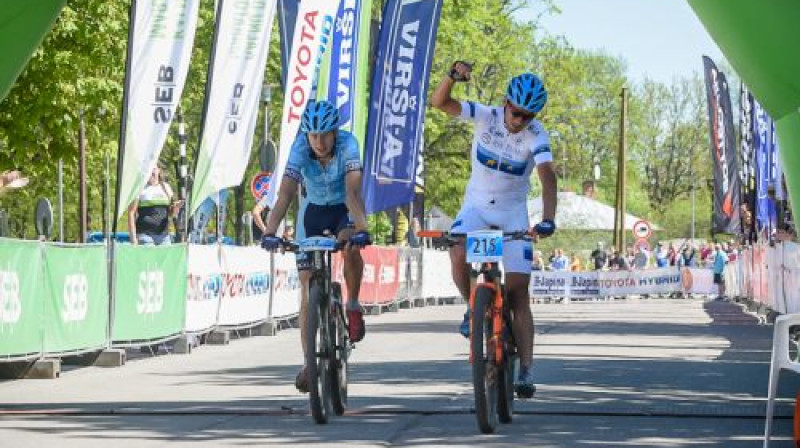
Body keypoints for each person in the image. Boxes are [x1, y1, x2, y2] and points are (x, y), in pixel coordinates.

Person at [431, 62, 558, 398]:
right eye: (516, 113)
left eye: (528, 116)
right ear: (506, 103)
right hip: (476, 209)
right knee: (457, 251)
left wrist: (548, 218)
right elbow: (440, 104)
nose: (520, 121)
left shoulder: (537, 135)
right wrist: (452, 77)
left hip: (513, 214)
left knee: (518, 293)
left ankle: (527, 369)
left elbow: (547, 177)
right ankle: (473, 308)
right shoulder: (486, 116)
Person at [259, 100, 371, 394]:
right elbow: (284, 194)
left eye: (324, 135)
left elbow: (353, 191)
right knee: (308, 291)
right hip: (312, 211)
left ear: (335, 132)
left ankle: (353, 303)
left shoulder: (348, 145)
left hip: (342, 209)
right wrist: (270, 232)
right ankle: (309, 362)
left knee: (349, 247)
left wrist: (362, 230)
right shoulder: (300, 148)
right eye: (313, 136)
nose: (319, 142)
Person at [128, 166, 180, 245]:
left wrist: (176, 208)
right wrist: (133, 238)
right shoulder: (140, 188)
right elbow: (131, 212)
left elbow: (170, 213)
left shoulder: (166, 187)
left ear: (159, 170)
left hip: (164, 235)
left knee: (166, 257)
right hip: (144, 235)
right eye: (149, 169)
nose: (151, 172)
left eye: (154, 169)